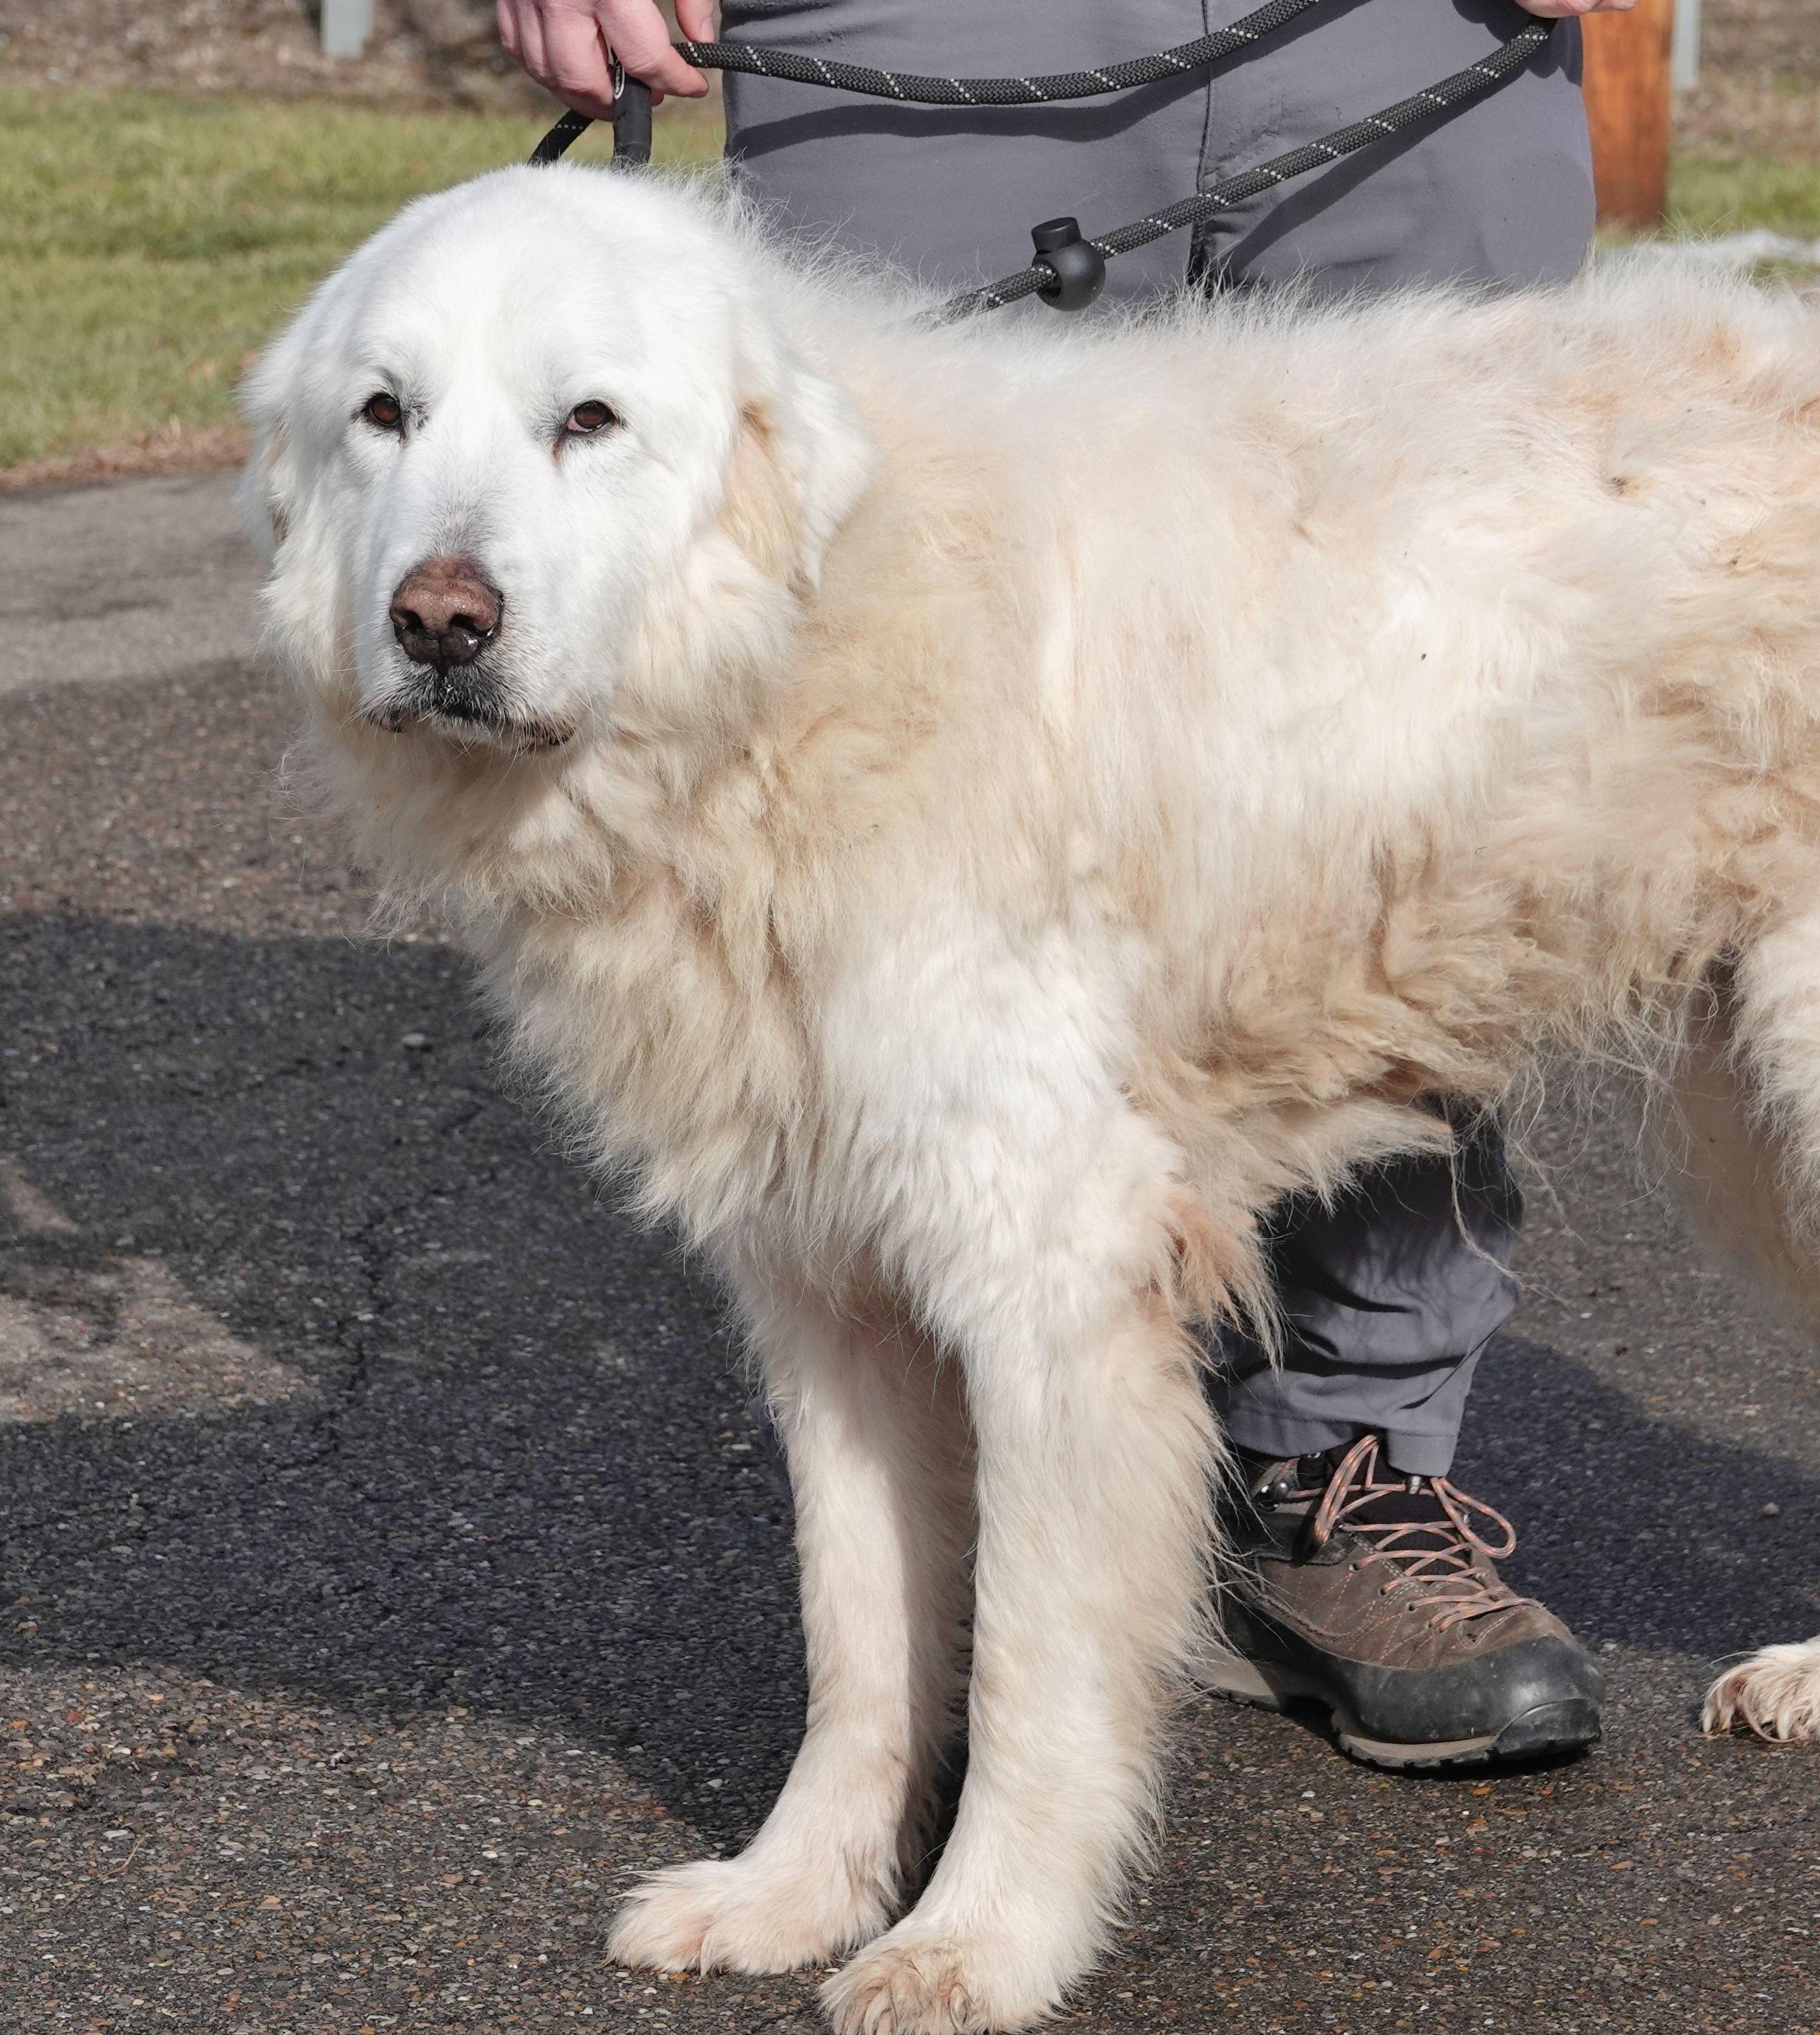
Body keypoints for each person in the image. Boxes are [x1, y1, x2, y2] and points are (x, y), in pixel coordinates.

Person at [498, 0, 1634, 1770]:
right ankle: (944, 1544)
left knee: (1435, 747)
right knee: (869, 674)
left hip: (1404, 33)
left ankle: (1345, 1465)